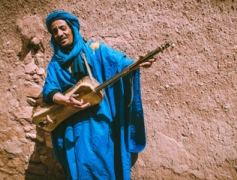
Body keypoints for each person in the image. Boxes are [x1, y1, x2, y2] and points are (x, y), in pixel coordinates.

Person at [42, 11, 156, 180]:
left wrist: (136, 64)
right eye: (55, 31)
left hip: (100, 123)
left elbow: (119, 64)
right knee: (80, 169)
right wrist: (65, 100)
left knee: (105, 165)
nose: (59, 34)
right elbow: (49, 90)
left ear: (72, 28)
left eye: (62, 28)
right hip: (73, 128)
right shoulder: (55, 63)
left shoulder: (94, 50)